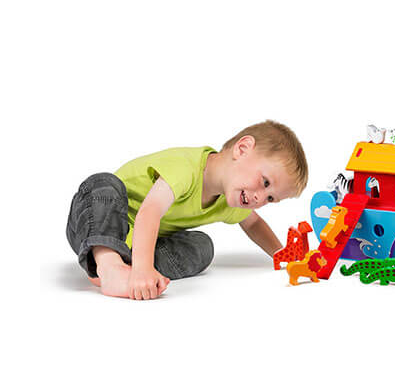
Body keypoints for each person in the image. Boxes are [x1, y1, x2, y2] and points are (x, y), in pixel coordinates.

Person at [66, 120, 308, 300]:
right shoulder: (187, 168)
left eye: (270, 198)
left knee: (202, 247)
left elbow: (253, 223)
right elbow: (150, 212)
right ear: (242, 149)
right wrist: (144, 268)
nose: (259, 198)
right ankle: (108, 265)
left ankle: (131, 270)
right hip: (98, 222)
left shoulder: (230, 199)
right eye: (265, 182)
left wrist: (283, 254)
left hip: (139, 244)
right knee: (103, 184)